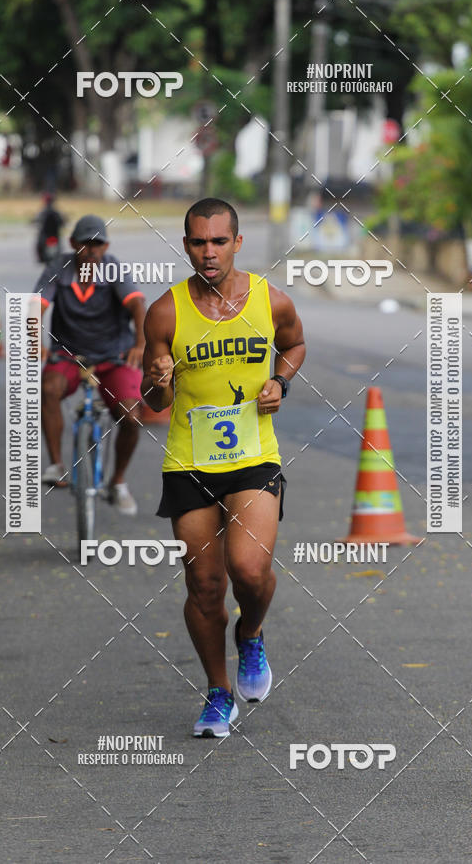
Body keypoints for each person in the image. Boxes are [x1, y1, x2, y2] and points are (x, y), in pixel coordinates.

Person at [141, 198, 306, 737]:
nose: (208, 253)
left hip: (254, 458)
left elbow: (295, 345)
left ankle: (251, 633)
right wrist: (159, 382)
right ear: (186, 245)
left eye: (218, 241)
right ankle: (218, 693)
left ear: (237, 242)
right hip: (190, 463)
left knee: (250, 571)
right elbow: (154, 400)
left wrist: (279, 381)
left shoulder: (270, 300)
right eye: (198, 242)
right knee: (205, 586)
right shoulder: (165, 312)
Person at [35, 214, 145, 515]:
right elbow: (37, 306)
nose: (92, 250)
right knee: (48, 389)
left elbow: (137, 304)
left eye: (98, 244)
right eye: (85, 243)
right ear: (73, 244)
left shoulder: (114, 269)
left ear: (106, 246)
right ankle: (56, 464)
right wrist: (34, 341)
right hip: (70, 355)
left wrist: (140, 344)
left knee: (131, 416)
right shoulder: (59, 268)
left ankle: (117, 481)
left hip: (113, 355)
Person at [35, 193, 65, 265]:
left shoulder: (42, 212)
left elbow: (37, 220)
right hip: (54, 234)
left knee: (38, 245)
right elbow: (62, 222)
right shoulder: (56, 212)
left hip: (46, 234)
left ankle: (40, 258)